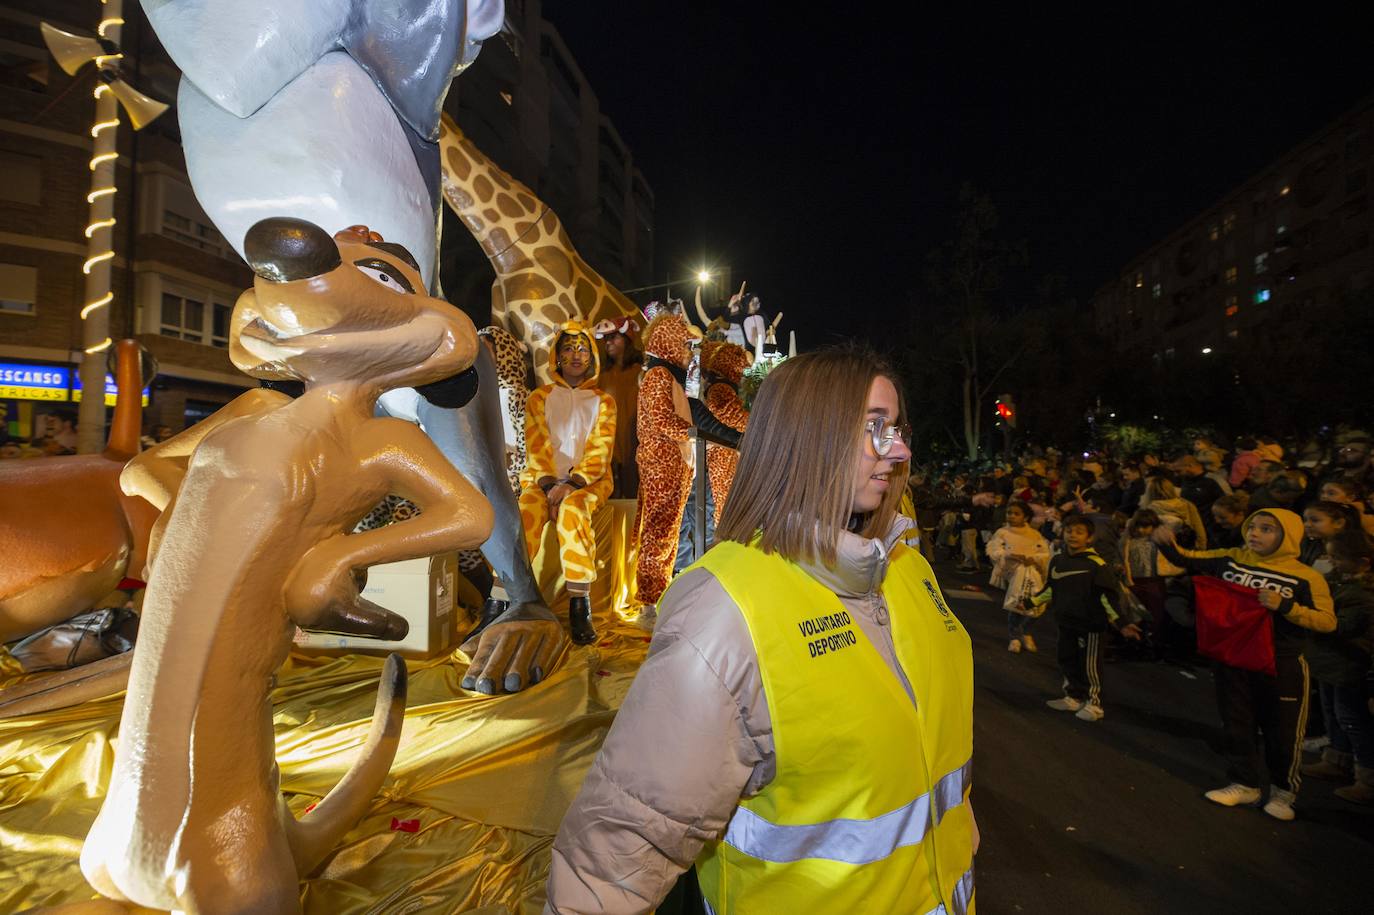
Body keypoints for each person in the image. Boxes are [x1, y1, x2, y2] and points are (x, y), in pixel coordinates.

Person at [545, 347, 977, 915]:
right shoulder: (723, 610)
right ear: (807, 436)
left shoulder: (911, 572)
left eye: (896, 428)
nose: (900, 449)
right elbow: (620, 850)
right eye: (875, 428)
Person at [1153, 510, 1335, 821]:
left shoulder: (1307, 577)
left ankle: (1283, 792)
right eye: (1252, 526)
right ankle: (1245, 783)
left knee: (1283, 731)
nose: (1255, 533)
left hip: (1282, 663)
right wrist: (1166, 543)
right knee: (1237, 723)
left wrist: (1286, 606)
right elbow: (1188, 559)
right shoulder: (1232, 558)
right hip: (1235, 658)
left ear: (1288, 536)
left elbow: (1327, 621)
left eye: (1267, 529)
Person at [518, 322, 616, 645]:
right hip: (541, 480)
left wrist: (572, 485)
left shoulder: (604, 401)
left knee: (573, 510)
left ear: (592, 357)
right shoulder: (538, 397)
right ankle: (502, 598)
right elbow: (536, 445)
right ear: (557, 356)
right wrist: (549, 486)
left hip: (590, 482)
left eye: (583, 349)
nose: (576, 355)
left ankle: (579, 605)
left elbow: (601, 450)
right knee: (525, 512)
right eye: (569, 349)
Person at [1026, 515, 1142, 721]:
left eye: (1079, 532)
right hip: (1066, 621)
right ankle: (1073, 697)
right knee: (1067, 659)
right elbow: (1051, 589)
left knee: (1090, 665)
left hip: (1091, 624)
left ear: (1090, 538)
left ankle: (1095, 704)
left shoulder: (1097, 564)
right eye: (1069, 531)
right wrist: (1030, 602)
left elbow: (1107, 597)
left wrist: (1122, 623)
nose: (1073, 535)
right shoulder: (1058, 560)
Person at [1299, 530, 1374, 804]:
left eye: (1337, 557)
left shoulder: (1363, 595)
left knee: (1353, 720)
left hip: (1348, 666)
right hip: (1330, 663)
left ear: (1363, 562)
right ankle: (1337, 760)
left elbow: (1341, 626)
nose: (1331, 562)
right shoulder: (1339, 580)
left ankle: (1367, 778)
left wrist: (1311, 615)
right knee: (1333, 713)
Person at [633, 312, 696, 627]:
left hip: (673, 464)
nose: (688, 350)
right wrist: (694, 433)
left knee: (668, 533)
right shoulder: (659, 375)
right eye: (684, 343)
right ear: (669, 341)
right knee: (658, 533)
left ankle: (658, 595)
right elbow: (662, 420)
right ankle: (648, 602)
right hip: (661, 464)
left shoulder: (668, 375)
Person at [987, 500, 1050, 653]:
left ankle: (1026, 632)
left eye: (1016, 514)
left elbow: (1044, 553)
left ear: (1026, 517)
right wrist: (1009, 555)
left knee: (1036, 604)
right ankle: (1014, 636)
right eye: (1009, 513)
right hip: (1012, 573)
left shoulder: (1034, 534)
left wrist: (1033, 559)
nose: (1012, 516)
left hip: (1032, 574)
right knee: (1016, 604)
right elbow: (993, 551)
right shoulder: (1003, 532)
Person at [592, 317, 643, 499]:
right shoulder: (602, 375)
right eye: (606, 339)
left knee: (633, 495)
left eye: (614, 337)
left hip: (634, 445)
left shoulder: (640, 372)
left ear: (627, 339)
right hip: (609, 447)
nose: (608, 342)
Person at [1299, 501, 1357, 573]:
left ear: (1339, 523)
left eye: (1315, 520)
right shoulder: (1307, 545)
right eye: (1305, 520)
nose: (1307, 525)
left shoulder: (1354, 549)